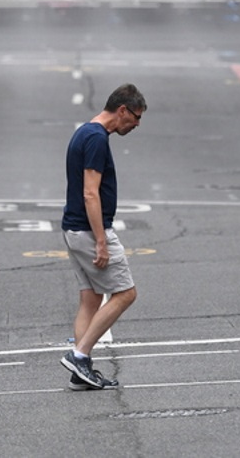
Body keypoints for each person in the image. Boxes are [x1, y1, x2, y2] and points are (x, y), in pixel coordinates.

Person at [60, 83, 146, 390]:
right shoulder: (96, 139)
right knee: (125, 293)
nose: (136, 124)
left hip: (73, 228)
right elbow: (90, 194)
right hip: (88, 231)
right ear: (122, 110)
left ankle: (79, 370)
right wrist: (101, 240)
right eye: (135, 117)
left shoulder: (86, 132)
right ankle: (79, 356)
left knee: (91, 299)